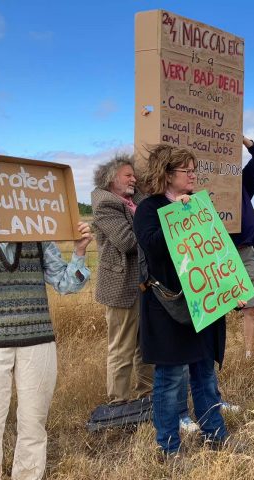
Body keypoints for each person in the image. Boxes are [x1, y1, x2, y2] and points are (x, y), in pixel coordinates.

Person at [0, 195, 92, 480]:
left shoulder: (37, 240)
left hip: (37, 339)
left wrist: (81, 252)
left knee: (34, 417)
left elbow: (66, 284)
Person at [133, 144, 233, 455]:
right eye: (186, 170)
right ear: (166, 174)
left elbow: (215, 250)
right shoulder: (149, 209)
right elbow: (152, 245)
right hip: (170, 308)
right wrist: (178, 214)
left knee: (204, 372)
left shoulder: (198, 205)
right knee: (170, 379)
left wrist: (231, 288)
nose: (192, 175)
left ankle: (216, 435)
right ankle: (169, 448)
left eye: (193, 170)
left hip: (202, 303)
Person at [91, 154, 154, 405]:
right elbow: (127, 241)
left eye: (133, 175)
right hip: (121, 286)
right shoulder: (105, 204)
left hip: (146, 283)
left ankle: (147, 396)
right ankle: (118, 402)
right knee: (122, 348)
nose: (133, 179)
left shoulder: (133, 201)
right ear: (111, 179)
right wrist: (154, 232)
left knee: (146, 344)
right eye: (128, 175)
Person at [230, 136, 254, 359]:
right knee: (214, 309)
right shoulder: (200, 185)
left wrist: (242, 139)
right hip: (215, 253)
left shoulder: (242, 182)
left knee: (251, 307)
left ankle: (248, 354)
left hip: (245, 251)